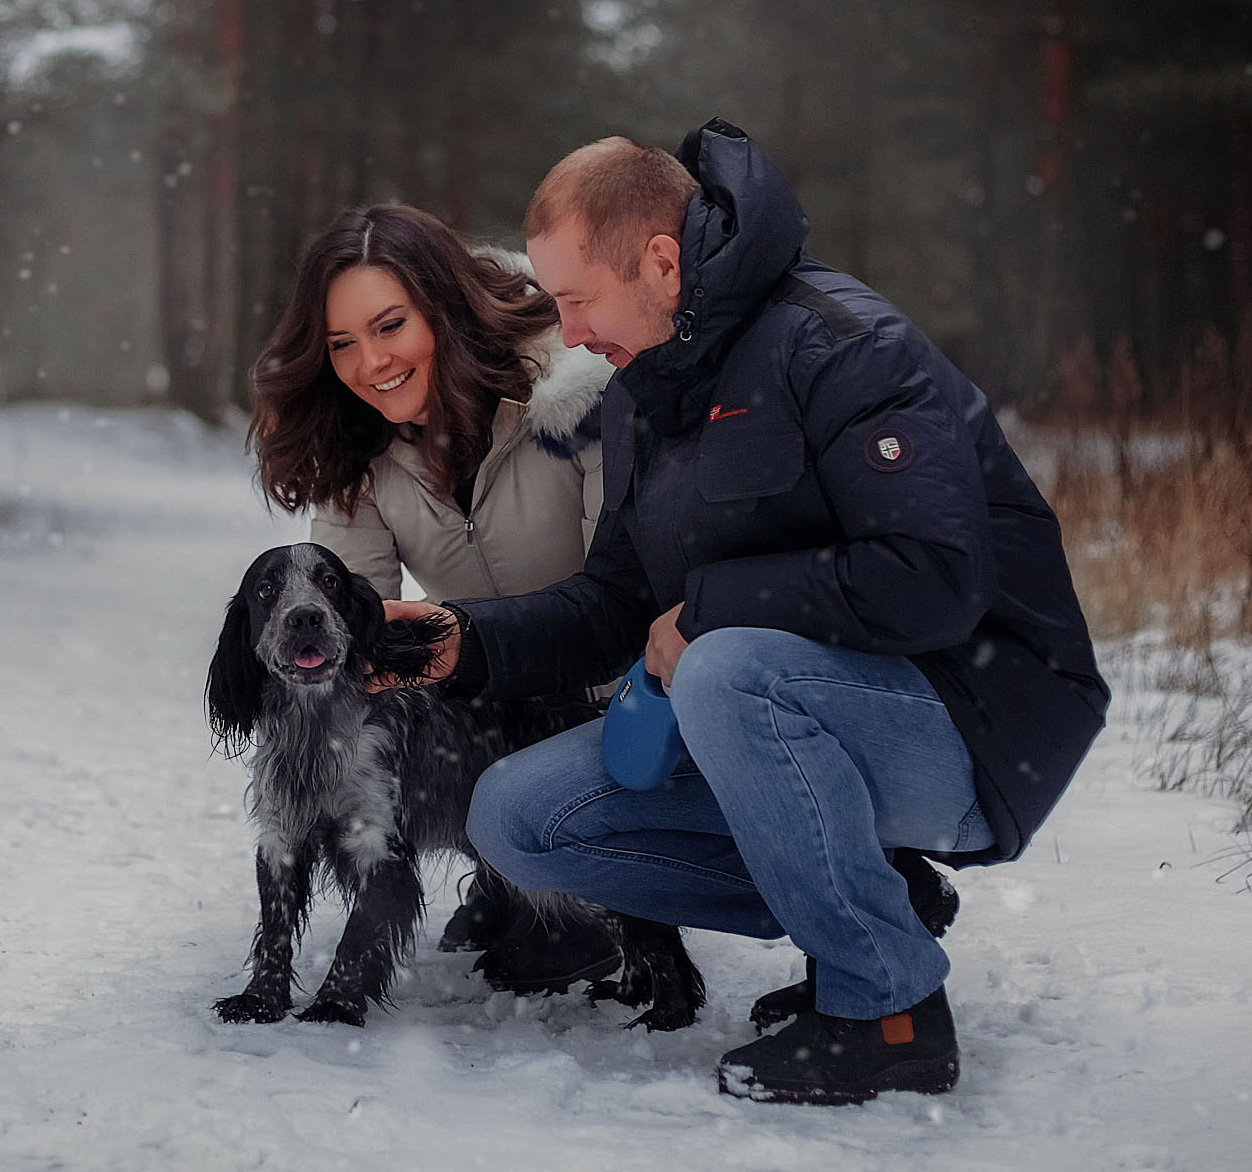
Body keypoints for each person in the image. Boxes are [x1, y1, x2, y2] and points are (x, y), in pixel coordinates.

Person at [381, 121, 1108, 1104]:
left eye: (577, 299)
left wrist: (715, 607)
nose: (574, 330)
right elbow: (614, 602)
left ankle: (884, 1008)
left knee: (725, 665)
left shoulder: (843, 346)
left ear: (663, 261)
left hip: (979, 718)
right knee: (517, 817)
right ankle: (865, 908)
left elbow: (932, 577)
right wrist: (465, 639)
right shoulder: (645, 393)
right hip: (802, 709)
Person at [248, 203, 619, 985]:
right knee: (401, 728)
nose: (368, 362)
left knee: (545, 930)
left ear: (443, 312)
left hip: (625, 696)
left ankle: (608, 861)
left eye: (389, 326)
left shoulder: (580, 400)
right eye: (341, 343)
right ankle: (505, 850)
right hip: (505, 697)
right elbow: (355, 639)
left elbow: (624, 600)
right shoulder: (363, 452)